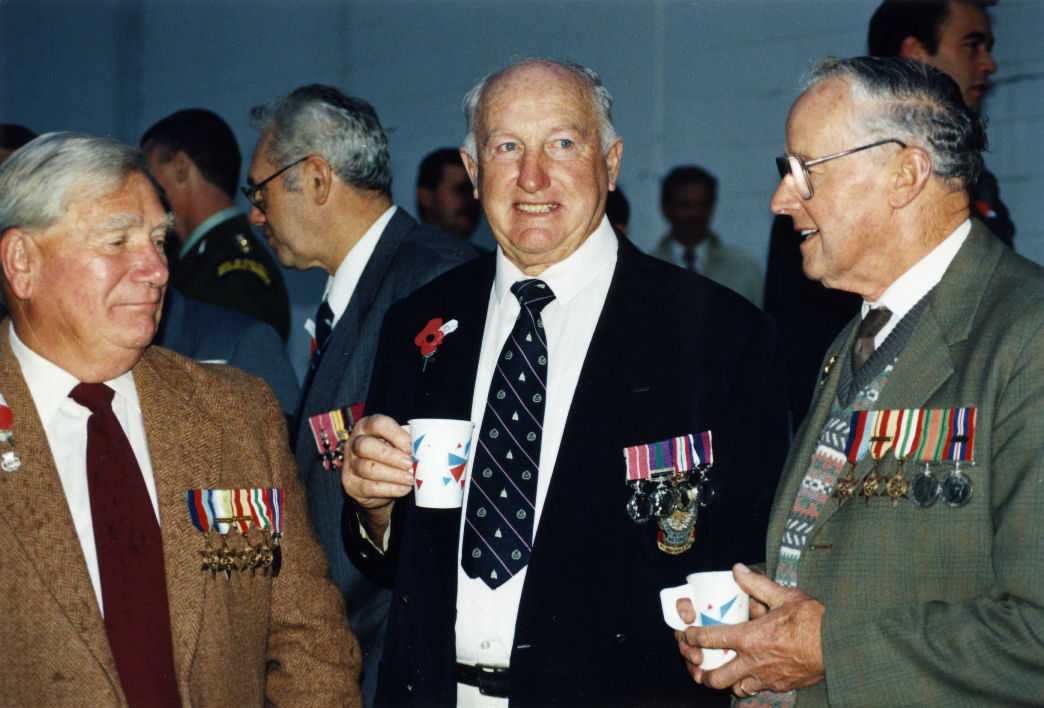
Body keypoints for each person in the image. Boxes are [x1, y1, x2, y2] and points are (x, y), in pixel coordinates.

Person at [342, 58, 788, 706]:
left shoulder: (721, 336)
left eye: (563, 143)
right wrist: (374, 508)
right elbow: (394, 564)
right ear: (472, 170)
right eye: (506, 147)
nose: (532, 176)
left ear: (610, 162)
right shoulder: (420, 326)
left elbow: (749, 566)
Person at [677, 57, 1044, 706]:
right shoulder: (856, 336)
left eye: (803, 171)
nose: (780, 199)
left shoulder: (1024, 338)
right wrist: (757, 619)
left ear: (904, 174)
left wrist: (830, 648)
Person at [0, 132, 361, 705]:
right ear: (22, 263)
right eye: (117, 241)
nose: (157, 269)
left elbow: (308, 640)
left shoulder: (236, 414)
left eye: (159, 240)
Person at [246, 84, 475, 706]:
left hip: (387, 662)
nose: (255, 216)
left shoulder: (433, 281)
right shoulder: (360, 292)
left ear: (316, 178)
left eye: (259, 191)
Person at [868, 0, 1013, 246]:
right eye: (972, 45)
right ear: (916, 54)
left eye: (987, 48)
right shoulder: (847, 174)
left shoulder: (975, 180)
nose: (990, 65)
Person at [141, 109, 291, 340]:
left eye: (149, 174)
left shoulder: (235, 273)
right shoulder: (195, 261)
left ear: (181, 167)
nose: (144, 189)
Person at [652, 165, 763, 306]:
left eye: (702, 205)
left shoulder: (744, 268)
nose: (695, 214)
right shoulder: (648, 270)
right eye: (685, 205)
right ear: (665, 209)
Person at [416, 147, 483, 241]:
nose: (472, 199)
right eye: (461, 189)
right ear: (425, 197)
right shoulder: (403, 254)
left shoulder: (487, 255)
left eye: (476, 191)